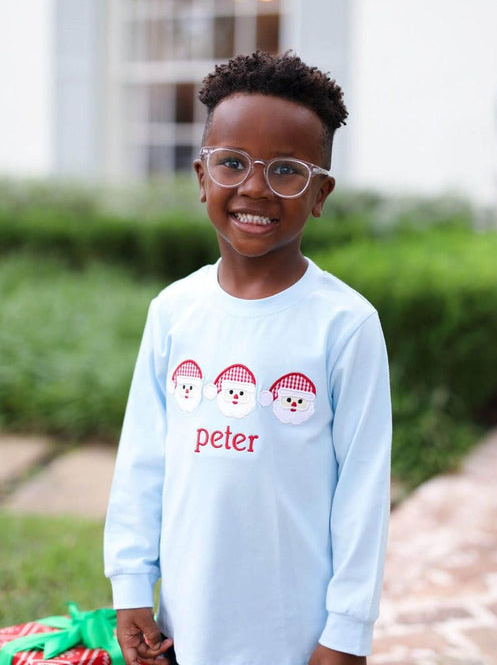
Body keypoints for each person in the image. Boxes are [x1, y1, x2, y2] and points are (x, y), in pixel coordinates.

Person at [104, 50, 392, 665]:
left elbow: (363, 493)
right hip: (186, 622)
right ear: (202, 176)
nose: (255, 187)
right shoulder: (175, 310)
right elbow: (141, 459)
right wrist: (130, 584)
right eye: (232, 163)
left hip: (293, 629)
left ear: (320, 194)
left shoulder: (345, 326)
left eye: (287, 170)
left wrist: (346, 631)